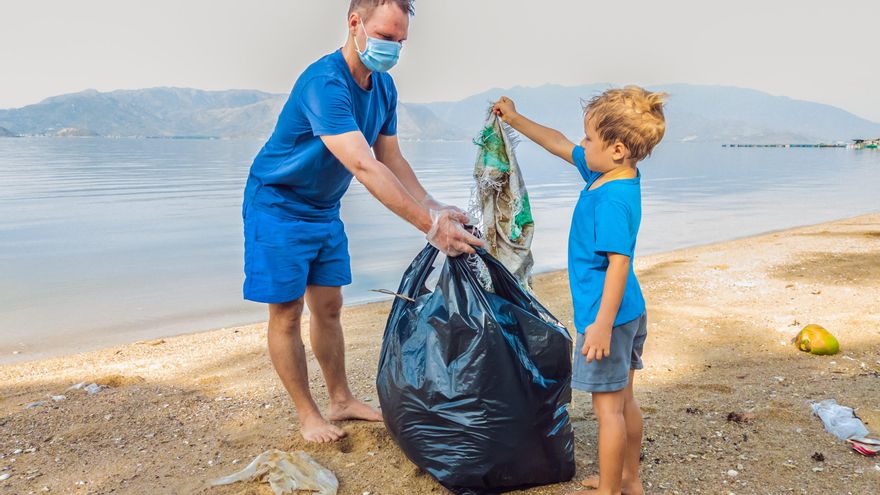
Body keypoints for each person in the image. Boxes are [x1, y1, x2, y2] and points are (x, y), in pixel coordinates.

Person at [242, 0, 481, 443]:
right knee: (287, 312)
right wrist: (428, 228)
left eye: (401, 41)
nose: (393, 48)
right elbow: (365, 166)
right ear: (355, 23)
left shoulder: (384, 87)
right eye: (386, 37)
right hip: (277, 205)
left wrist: (433, 206)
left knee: (329, 307)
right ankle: (308, 413)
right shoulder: (324, 84)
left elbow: (390, 156)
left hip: (323, 208)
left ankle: (341, 399)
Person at [492, 86, 666, 495]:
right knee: (624, 401)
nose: (582, 145)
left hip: (608, 316)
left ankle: (609, 490)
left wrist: (601, 326)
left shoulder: (610, 200)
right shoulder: (608, 174)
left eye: (589, 139)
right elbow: (558, 143)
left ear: (618, 148)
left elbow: (619, 264)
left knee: (608, 411)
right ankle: (629, 479)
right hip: (629, 311)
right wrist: (514, 119)